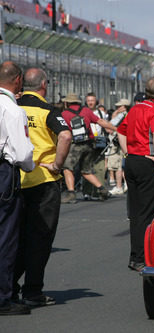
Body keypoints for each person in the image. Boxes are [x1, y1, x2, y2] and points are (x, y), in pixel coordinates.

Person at [13, 68, 72, 307]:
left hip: (15, 179)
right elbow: (66, 136)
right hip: (43, 180)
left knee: (14, 236)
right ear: (44, 85)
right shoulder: (47, 111)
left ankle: (8, 286)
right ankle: (33, 290)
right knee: (40, 237)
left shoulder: (12, 108)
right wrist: (57, 164)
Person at [117, 77, 154, 271]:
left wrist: (127, 152)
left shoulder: (135, 109)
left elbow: (120, 131)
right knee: (151, 212)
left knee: (137, 212)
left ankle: (135, 256)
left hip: (131, 161)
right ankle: (146, 256)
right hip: (147, 162)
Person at [0, 61, 34, 315]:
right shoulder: (13, 110)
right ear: (18, 80)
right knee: (6, 237)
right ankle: (4, 297)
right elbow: (22, 154)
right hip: (4, 173)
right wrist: (31, 165)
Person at [60, 93, 116, 203]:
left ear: (66, 103)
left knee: (67, 168)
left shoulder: (64, 114)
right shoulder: (86, 111)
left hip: (75, 145)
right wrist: (115, 128)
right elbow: (100, 122)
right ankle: (102, 189)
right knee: (86, 170)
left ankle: (71, 193)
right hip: (89, 144)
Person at [107, 98, 130, 195]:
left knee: (117, 166)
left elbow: (109, 126)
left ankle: (119, 186)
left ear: (124, 107)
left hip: (117, 143)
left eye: (119, 106)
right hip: (127, 142)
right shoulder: (130, 114)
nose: (117, 108)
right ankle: (126, 185)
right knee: (124, 165)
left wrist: (114, 114)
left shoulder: (121, 115)